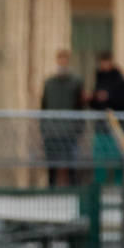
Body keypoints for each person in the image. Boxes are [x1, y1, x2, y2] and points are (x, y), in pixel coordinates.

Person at [40, 49, 86, 187]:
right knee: (52, 164)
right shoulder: (49, 83)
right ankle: (51, 189)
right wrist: (43, 127)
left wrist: (78, 128)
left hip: (69, 130)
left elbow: (80, 106)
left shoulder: (76, 82)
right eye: (60, 59)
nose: (62, 63)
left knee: (71, 163)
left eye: (65, 60)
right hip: (51, 130)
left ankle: (73, 190)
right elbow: (44, 105)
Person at [89, 51, 124, 185]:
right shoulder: (99, 79)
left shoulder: (120, 80)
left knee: (118, 159)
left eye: (106, 62)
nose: (104, 65)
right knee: (100, 159)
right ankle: (100, 187)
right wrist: (95, 98)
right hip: (101, 127)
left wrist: (109, 97)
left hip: (117, 127)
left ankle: (119, 187)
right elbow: (94, 103)